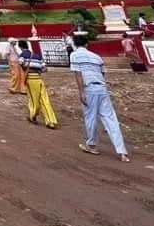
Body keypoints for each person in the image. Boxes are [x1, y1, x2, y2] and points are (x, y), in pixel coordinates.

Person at [71, 34, 130, 162]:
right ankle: (122, 152)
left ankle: (92, 145)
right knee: (111, 119)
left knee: (90, 117)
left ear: (75, 44)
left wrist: (81, 92)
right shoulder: (97, 57)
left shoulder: (75, 55)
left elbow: (78, 75)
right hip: (102, 89)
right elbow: (102, 74)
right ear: (87, 44)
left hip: (89, 89)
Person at [18, 40, 57, 129]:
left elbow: (20, 63)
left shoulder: (23, 55)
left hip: (30, 80)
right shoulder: (37, 56)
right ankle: (50, 121)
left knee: (33, 100)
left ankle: (33, 116)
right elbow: (45, 69)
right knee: (45, 100)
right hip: (39, 79)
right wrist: (37, 69)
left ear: (20, 47)